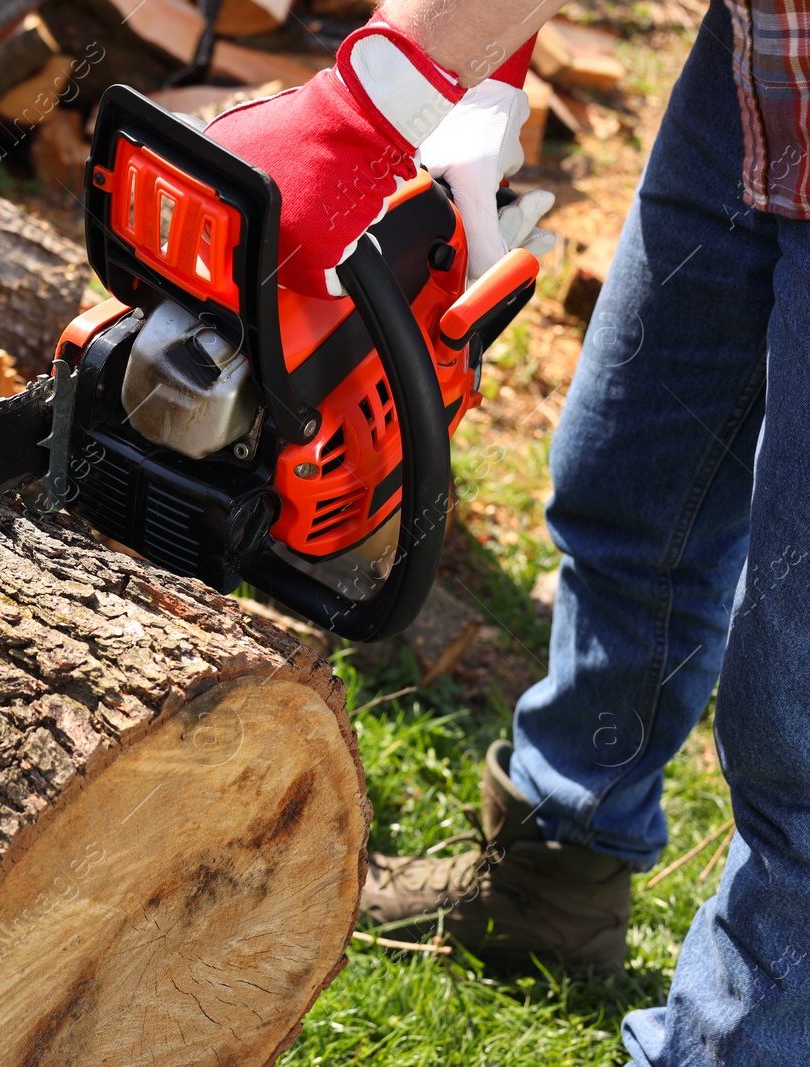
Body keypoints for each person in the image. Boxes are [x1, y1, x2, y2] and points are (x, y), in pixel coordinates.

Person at [200, 1, 810, 1062]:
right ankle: (557, 867)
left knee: (796, 702)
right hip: (767, 63)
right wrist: (483, 77)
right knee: (627, 487)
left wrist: (363, 103)